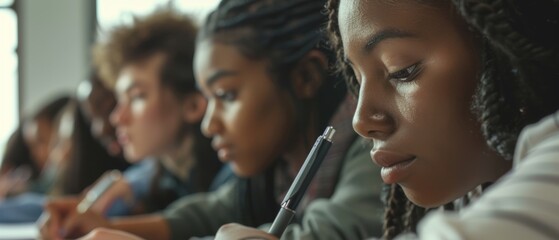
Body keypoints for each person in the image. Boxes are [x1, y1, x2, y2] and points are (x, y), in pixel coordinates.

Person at [209, 0, 559, 239]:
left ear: (504, 51)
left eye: (401, 70)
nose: (362, 120)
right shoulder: (475, 193)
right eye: (357, 81)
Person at [40, 1, 385, 240]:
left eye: (226, 95)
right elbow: (209, 212)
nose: (209, 125)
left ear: (305, 78)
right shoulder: (277, 168)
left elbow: (329, 235)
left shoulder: (371, 144)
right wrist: (102, 225)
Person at [39, 8, 231, 239]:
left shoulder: (234, 171)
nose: (117, 117)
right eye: (120, 99)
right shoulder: (162, 174)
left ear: (192, 104)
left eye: (137, 96)